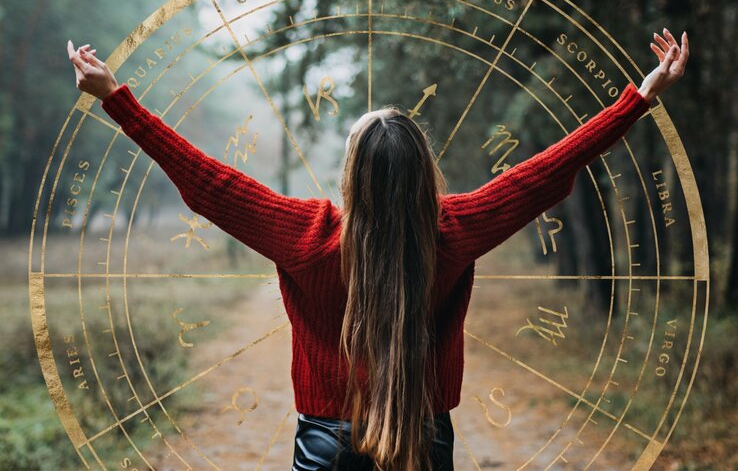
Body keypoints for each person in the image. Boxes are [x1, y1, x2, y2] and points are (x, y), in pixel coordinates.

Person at [67, 28, 688, 470]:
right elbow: (544, 172)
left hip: (326, 443)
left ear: (351, 175)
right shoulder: (452, 230)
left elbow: (209, 183)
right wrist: (639, 96)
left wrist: (118, 98)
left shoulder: (307, 236)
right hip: (425, 441)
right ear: (423, 173)